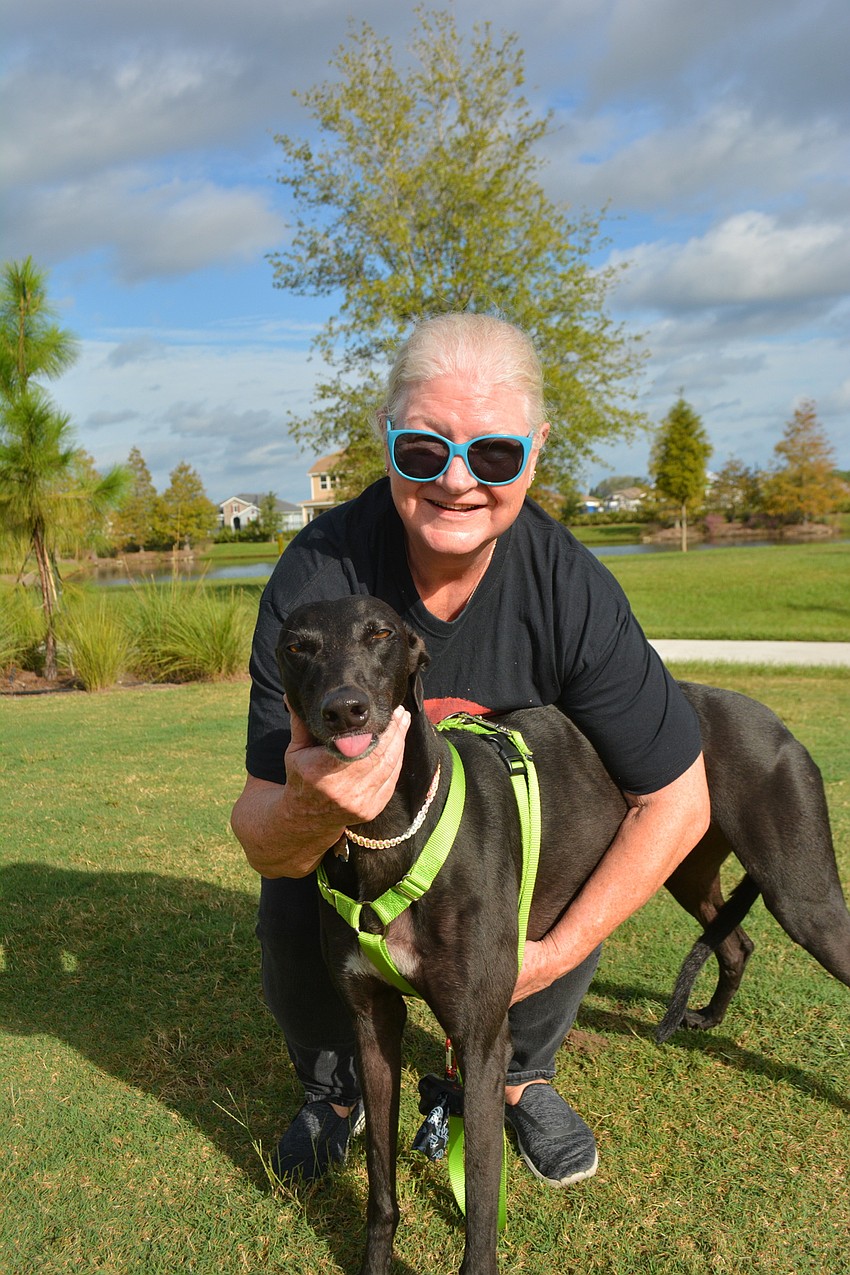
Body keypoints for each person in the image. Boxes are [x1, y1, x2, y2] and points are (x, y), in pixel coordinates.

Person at [230, 312, 710, 1188]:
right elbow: (259, 828)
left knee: (557, 842)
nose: (456, 480)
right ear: (386, 440)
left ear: (535, 450)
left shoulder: (568, 587)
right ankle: (336, 1089)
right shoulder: (317, 578)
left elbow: (678, 800)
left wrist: (547, 957)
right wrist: (304, 806)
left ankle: (519, 1072)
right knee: (298, 876)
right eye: (423, 449)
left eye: (493, 453)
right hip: (360, 855)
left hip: (495, 859)